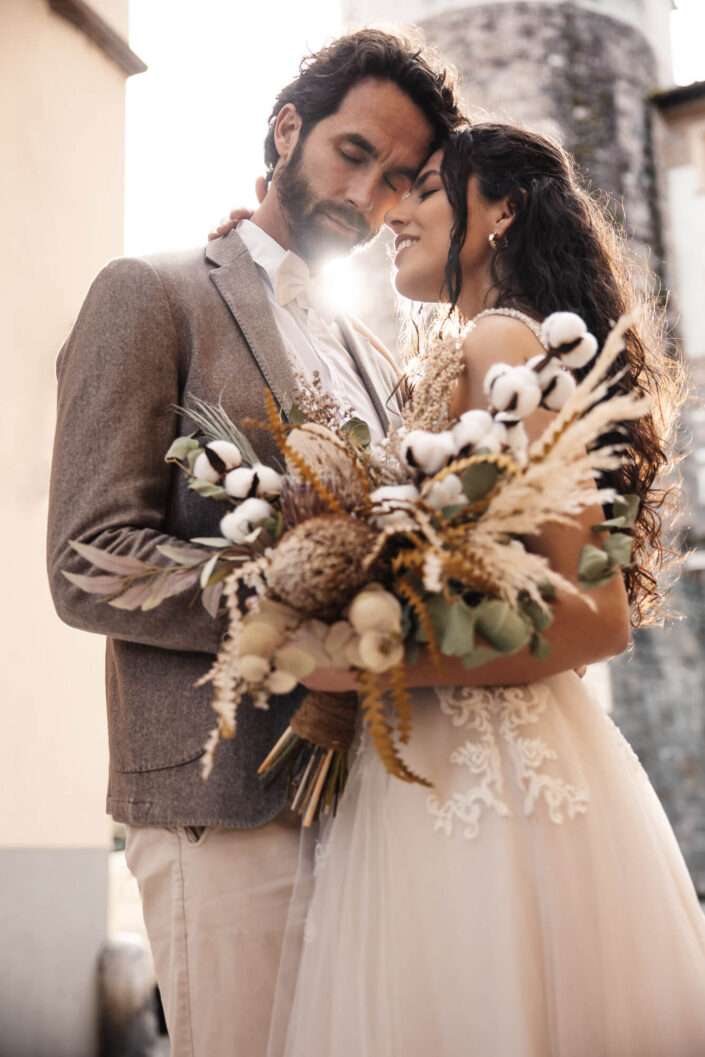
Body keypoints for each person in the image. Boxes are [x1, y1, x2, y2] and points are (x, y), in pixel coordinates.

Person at [46, 28, 464, 1057]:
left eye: (400, 179)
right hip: (214, 802)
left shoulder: (374, 350)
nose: (368, 199)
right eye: (353, 154)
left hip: (367, 806)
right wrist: (292, 615)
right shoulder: (150, 293)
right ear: (288, 130)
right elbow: (88, 559)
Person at [265, 125, 705, 1056]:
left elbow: (594, 612)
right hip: (439, 764)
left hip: (486, 779)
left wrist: (370, 658)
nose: (396, 214)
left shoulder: (506, 341)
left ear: (498, 210)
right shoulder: (485, 348)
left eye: (426, 188)